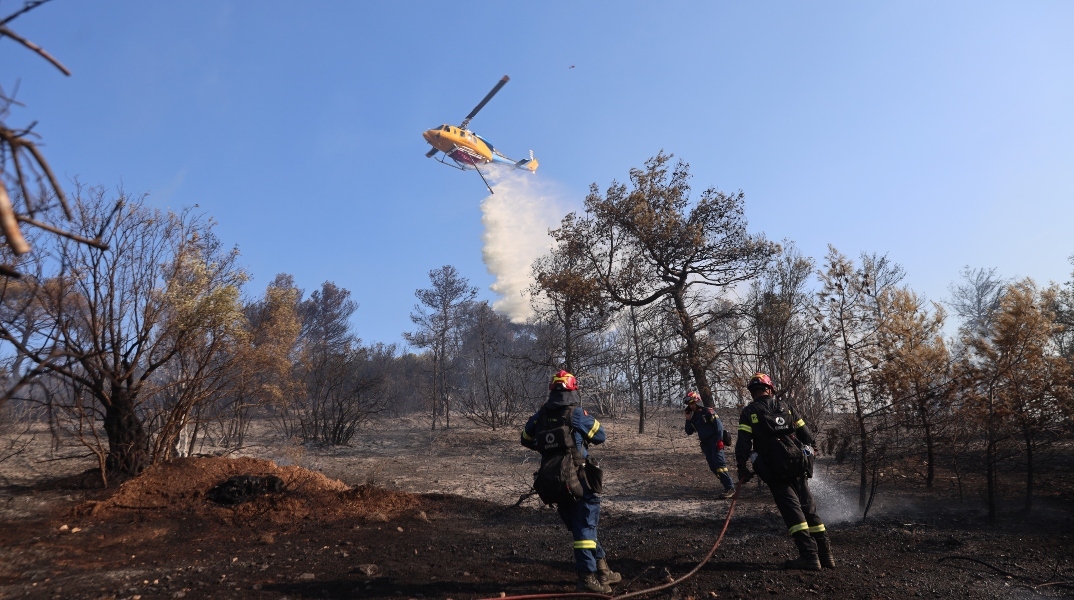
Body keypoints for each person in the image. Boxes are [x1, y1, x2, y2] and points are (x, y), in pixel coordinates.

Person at [521, 370, 621, 593]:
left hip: (554, 482)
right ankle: (587, 578)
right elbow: (600, 435)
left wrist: (546, 447)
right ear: (573, 390)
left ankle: (603, 570)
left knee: (582, 528)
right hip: (578, 480)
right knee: (585, 527)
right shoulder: (575, 414)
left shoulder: (541, 415)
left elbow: (525, 438)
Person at [735, 372, 835, 571]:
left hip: (773, 468)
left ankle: (809, 556)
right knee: (808, 507)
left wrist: (742, 468)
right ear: (770, 388)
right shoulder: (787, 407)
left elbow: (743, 444)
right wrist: (811, 453)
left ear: (752, 392)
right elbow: (806, 435)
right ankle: (826, 555)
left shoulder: (749, 412)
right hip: (798, 463)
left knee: (792, 509)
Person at [683, 391, 736, 499]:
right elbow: (689, 431)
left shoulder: (708, 411)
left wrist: (720, 440)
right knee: (713, 467)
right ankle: (727, 485)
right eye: (689, 404)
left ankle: (730, 488)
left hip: (714, 441)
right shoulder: (694, 417)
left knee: (719, 465)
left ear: (697, 402)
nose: (691, 406)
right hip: (706, 445)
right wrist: (688, 419)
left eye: (692, 403)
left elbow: (719, 426)